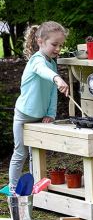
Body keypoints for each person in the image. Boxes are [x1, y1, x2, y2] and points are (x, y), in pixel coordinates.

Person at [8, 21, 69, 193]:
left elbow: (52, 92)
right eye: (54, 44)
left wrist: (51, 113)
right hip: (23, 115)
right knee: (20, 153)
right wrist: (57, 78)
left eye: (60, 45)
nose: (58, 49)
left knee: (36, 154)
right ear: (40, 41)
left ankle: (34, 188)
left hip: (39, 117)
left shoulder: (52, 63)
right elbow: (43, 72)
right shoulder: (37, 61)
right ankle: (13, 191)